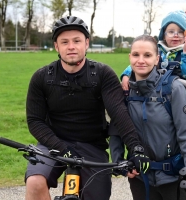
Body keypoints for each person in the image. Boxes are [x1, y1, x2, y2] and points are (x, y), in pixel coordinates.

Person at [24, 16, 150, 200]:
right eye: (64, 42)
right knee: (35, 182)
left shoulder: (102, 74)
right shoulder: (42, 77)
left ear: (86, 43)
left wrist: (136, 148)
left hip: (92, 146)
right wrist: (62, 148)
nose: (71, 46)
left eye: (77, 41)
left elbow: (118, 113)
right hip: (53, 144)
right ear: (56, 46)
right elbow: (34, 121)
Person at [109, 34, 186, 200]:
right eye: (136, 55)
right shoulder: (124, 93)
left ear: (157, 59)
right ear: (129, 57)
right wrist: (121, 163)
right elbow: (117, 130)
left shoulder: (173, 89)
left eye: (147, 55)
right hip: (141, 178)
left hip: (174, 178)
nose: (141, 60)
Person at [120, 10, 186, 168]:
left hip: (185, 96)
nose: (175, 35)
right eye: (171, 32)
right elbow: (139, 63)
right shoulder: (158, 52)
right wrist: (125, 75)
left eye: (180, 32)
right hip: (161, 94)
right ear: (163, 34)